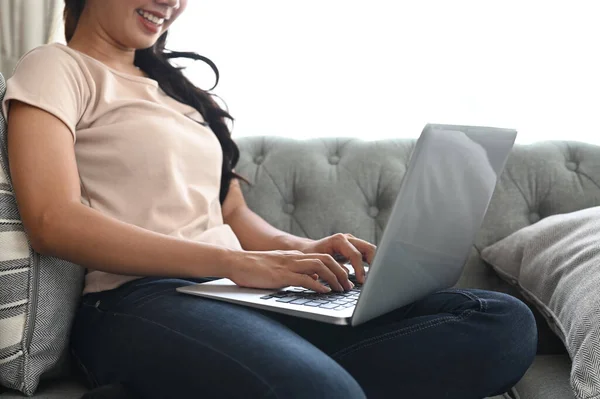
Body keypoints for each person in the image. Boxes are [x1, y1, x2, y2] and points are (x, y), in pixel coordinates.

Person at [1, 1, 537, 398]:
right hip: (137, 300)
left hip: (235, 295)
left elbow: (235, 217)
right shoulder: (56, 67)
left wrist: (307, 251)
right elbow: (53, 220)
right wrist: (238, 264)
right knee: (322, 391)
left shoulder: (181, 94)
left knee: (500, 322)